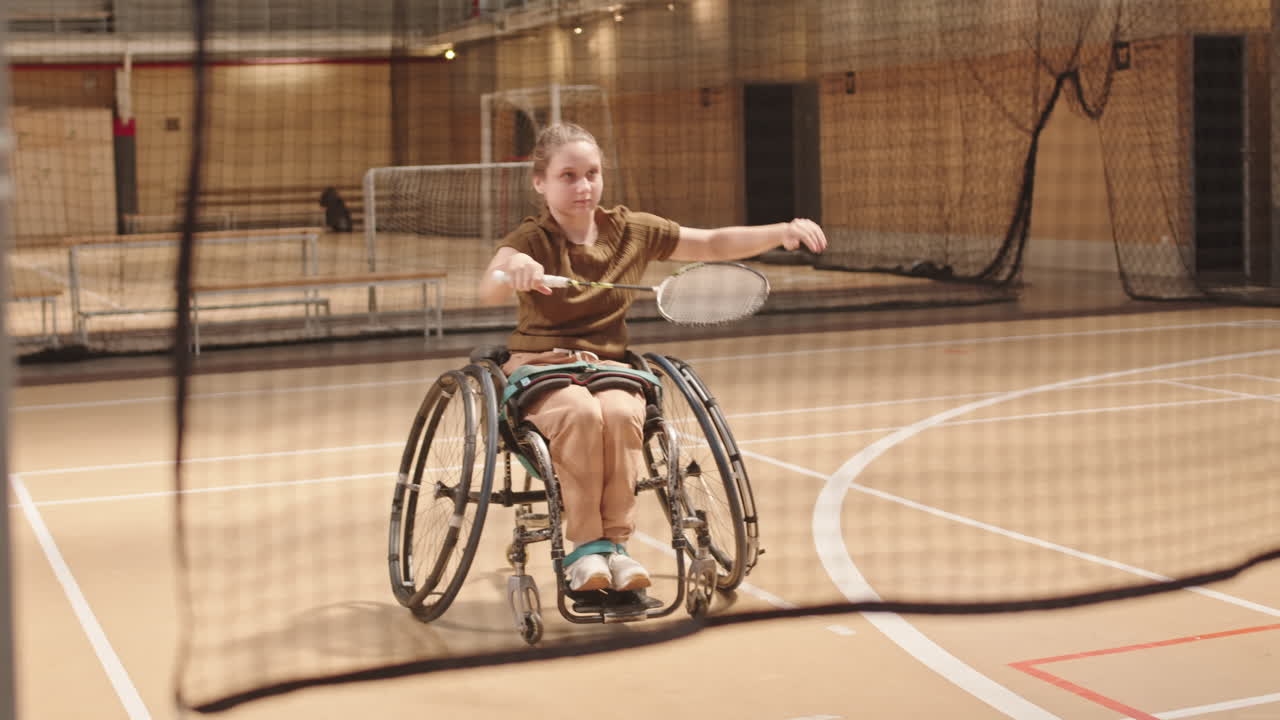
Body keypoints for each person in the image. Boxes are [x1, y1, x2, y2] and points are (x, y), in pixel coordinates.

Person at [478, 122, 826, 593]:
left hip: (608, 368)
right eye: (568, 176)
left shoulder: (631, 231)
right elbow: (490, 285)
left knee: (622, 415)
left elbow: (712, 243)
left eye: (592, 174)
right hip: (542, 366)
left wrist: (781, 231)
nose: (583, 186)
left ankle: (615, 549)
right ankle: (584, 551)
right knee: (580, 415)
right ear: (540, 182)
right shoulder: (532, 238)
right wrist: (512, 269)